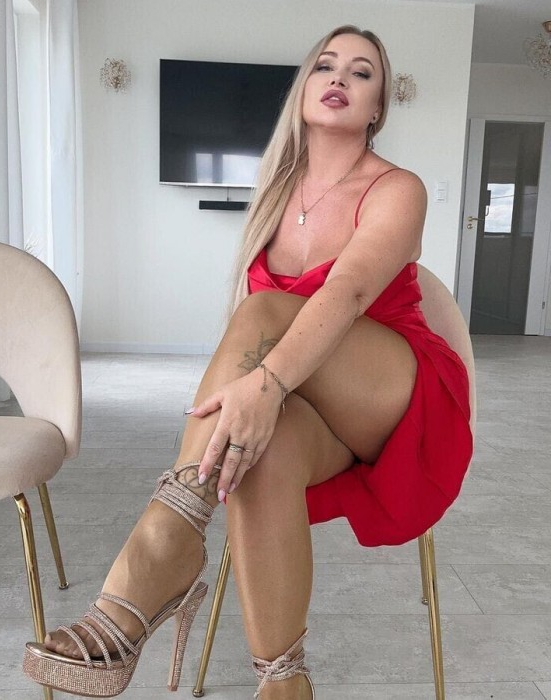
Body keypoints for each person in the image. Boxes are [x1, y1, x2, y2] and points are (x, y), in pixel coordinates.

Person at [23, 24, 473, 700]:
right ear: (303, 89)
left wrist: (266, 383)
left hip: (396, 398)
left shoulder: (396, 188)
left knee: (262, 315)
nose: (340, 79)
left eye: (361, 73)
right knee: (261, 451)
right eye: (326, 66)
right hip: (307, 404)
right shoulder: (276, 189)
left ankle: (164, 540)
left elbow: (348, 294)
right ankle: (284, 683)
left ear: (378, 106)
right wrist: (261, 399)